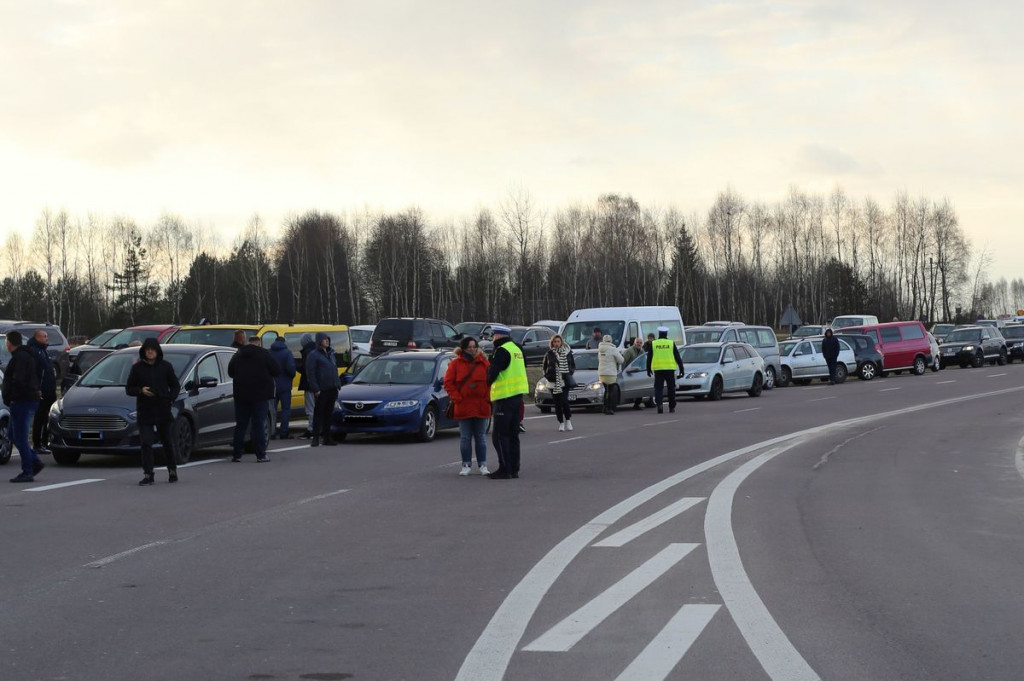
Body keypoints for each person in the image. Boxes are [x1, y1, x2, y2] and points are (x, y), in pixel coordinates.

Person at [125, 337, 180, 485]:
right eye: (147, 349)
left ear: (157, 351)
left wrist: (170, 398)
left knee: (167, 441)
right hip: (145, 411)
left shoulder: (166, 367)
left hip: (163, 409)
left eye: (153, 349)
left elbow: (176, 386)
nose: (150, 352)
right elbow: (128, 389)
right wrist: (140, 390)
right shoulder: (137, 368)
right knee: (146, 443)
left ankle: (172, 470)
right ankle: (148, 474)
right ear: (143, 351)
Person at [443, 336, 491, 476]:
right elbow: (448, 383)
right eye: (469, 346)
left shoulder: (484, 363)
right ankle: (466, 465)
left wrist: (487, 398)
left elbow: (491, 382)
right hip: (463, 405)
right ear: (463, 348)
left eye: (474, 346)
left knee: (481, 436)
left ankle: (483, 464)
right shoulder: (456, 364)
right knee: (465, 437)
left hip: (481, 405)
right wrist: (457, 398)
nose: (472, 349)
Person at [228, 336, 280, 462]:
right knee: (258, 424)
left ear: (248, 343)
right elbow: (276, 370)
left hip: (241, 394)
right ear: (259, 343)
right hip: (260, 395)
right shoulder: (264, 354)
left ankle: (236, 454)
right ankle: (260, 454)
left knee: (241, 424)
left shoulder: (238, 354)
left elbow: (230, 372)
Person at [487, 325, 528, 479]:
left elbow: (492, 373)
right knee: (513, 435)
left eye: (493, 336)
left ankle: (505, 469)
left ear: (497, 336)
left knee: (499, 436)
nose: (492, 338)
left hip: (504, 397)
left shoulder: (501, 350)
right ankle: (514, 468)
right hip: (517, 397)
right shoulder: (516, 349)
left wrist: (488, 375)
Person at [4, 331, 43, 483]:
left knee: (20, 437)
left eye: (7, 341)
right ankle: (35, 462)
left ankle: (27, 471)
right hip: (25, 400)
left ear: (10, 342)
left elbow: (18, 380)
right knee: (13, 436)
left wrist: (12, 396)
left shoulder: (20, 357)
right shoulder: (25, 356)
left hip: (22, 401)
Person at [306, 332, 341, 447]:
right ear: (319, 341)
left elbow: (334, 369)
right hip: (322, 389)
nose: (327, 341)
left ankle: (327, 437)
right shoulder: (313, 355)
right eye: (324, 339)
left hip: (332, 388)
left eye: (327, 339)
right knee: (318, 414)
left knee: (328, 415)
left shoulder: (331, 353)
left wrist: (337, 384)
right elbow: (311, 373)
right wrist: (316, 389)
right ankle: (315, 437)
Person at [26, 329, 56, 455]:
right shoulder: (34, 351)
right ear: (37, 337)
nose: (46, 339)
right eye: (44, 336)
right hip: (41, 391)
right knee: (39, 417)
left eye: (47, 336)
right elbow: (34, 373)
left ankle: (45, 442)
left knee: (47, 417)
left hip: (50, 389)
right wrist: (37, 388)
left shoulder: (43, 351)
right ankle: (37, 444)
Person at [646, 326, 684, 414]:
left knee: (658, 388)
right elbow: (677, 356)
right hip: (670, 369)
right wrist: (681, 368)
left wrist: (648, 369)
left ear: (659, 334)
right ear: (666, 334)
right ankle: (671, 407)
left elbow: (649, 357)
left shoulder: (654, 343)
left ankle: (659, 405)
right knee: (671, 388)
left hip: (658, 369)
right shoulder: (671, 343)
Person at [542, 334, 575, 432]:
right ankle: (561, 422)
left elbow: (573, 365)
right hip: (553, 382)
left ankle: (568, 420)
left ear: (561, 342)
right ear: (552, 343)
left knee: (564, 401)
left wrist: (569, 373)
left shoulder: (568, 352)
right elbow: (544, 367)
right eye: (554, 342)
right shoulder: (549, 354)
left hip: (564, 381)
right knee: (557, 404)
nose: (556, 344)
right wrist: (547, 375)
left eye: (558, 341)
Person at [269, 336, 296, 438]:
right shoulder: (287, 353)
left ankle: (272, 432)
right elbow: (291, 370)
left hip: (272, 386)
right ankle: (284, 432)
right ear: (284, 342)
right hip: (285, 386)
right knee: (286, 409)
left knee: (272, 410)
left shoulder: (269, 352)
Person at [597, 334, 624, 415]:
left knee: (606, 390)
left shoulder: (600, 349)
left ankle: (604, 407)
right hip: (610, 373)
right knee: (611, 391)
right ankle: (610, 408)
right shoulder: (613, 349)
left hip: (601, 373)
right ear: (611, 341)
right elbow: (621, 360)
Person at [296, 333, 317, 438]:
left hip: (309, 384)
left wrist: (296, 366)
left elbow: (306, 368)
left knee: (310, 408)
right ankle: (317, 428)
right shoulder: (316, 350)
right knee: (316, 407)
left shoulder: (307, 352)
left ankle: (311, 429)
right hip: (317, 384)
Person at [621, 336, 646, 409]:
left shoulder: (642, 351)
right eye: (637, 342)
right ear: (634, 343)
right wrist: (623, 371)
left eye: (640, 343)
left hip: (638, 372)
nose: (639, 344)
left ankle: (637, 404)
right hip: (629, 372)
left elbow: (643, 362)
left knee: (640, 388)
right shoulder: (629, 351)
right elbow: (623, 361)